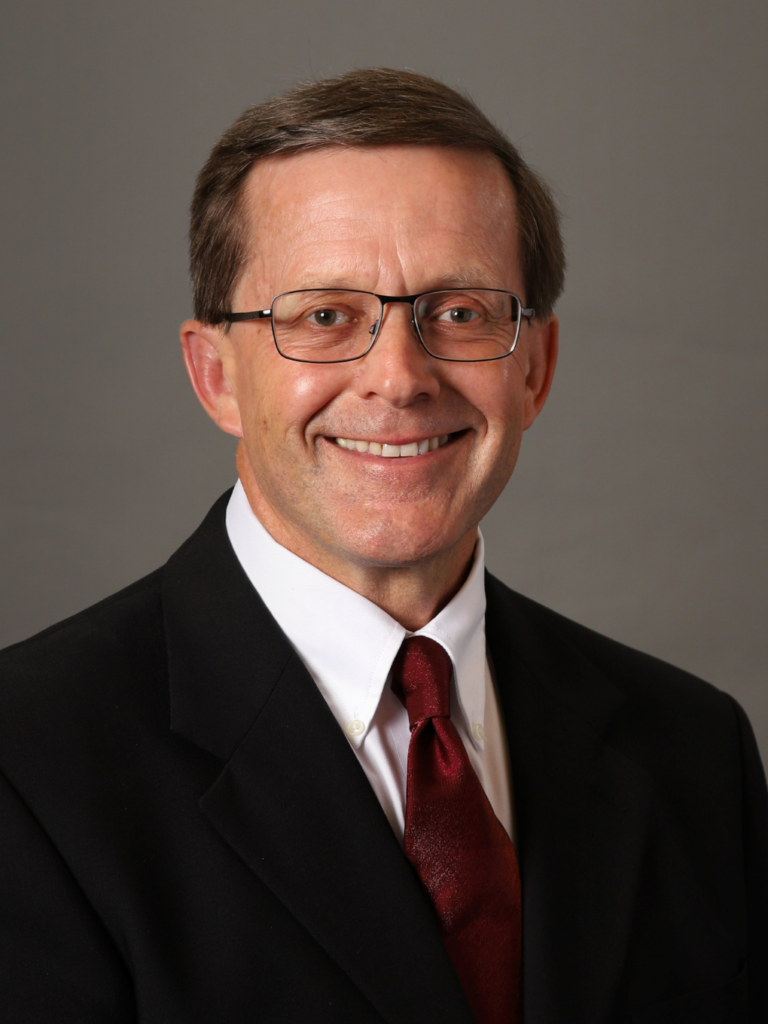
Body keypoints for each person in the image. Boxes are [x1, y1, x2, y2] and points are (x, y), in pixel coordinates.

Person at [0, 68, 765, 1024]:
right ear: (216, 374)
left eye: (461, 312)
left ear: (535, 368)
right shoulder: (26, 767)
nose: (399, 378)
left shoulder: (694, 751)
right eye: (325, 317)